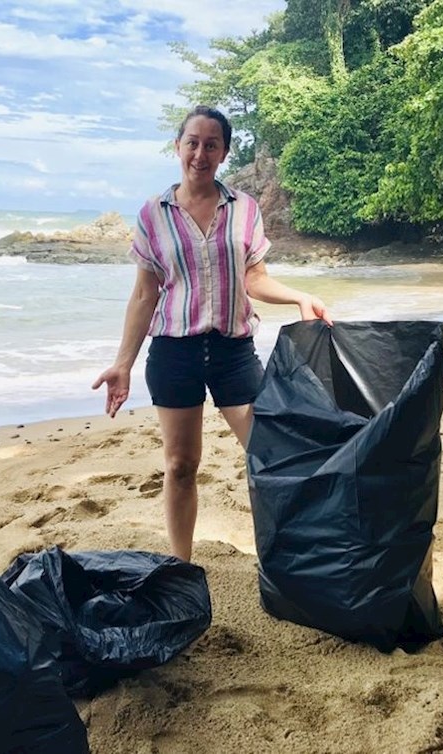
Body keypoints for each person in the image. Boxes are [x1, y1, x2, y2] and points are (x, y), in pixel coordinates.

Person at [92, 105, 333, 562]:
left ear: (224, 152)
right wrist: (122, 363)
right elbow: (145, 295)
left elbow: (254, 279)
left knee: (269, 455)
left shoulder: (244, 209)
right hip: (174, 353)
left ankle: (292, 556)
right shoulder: (152, 215)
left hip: (233, 351)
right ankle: (181, 566)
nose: (200, 153)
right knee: (181, 467)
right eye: (192, 143)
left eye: (212, 144)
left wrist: (299, 297)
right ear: (178, 147)